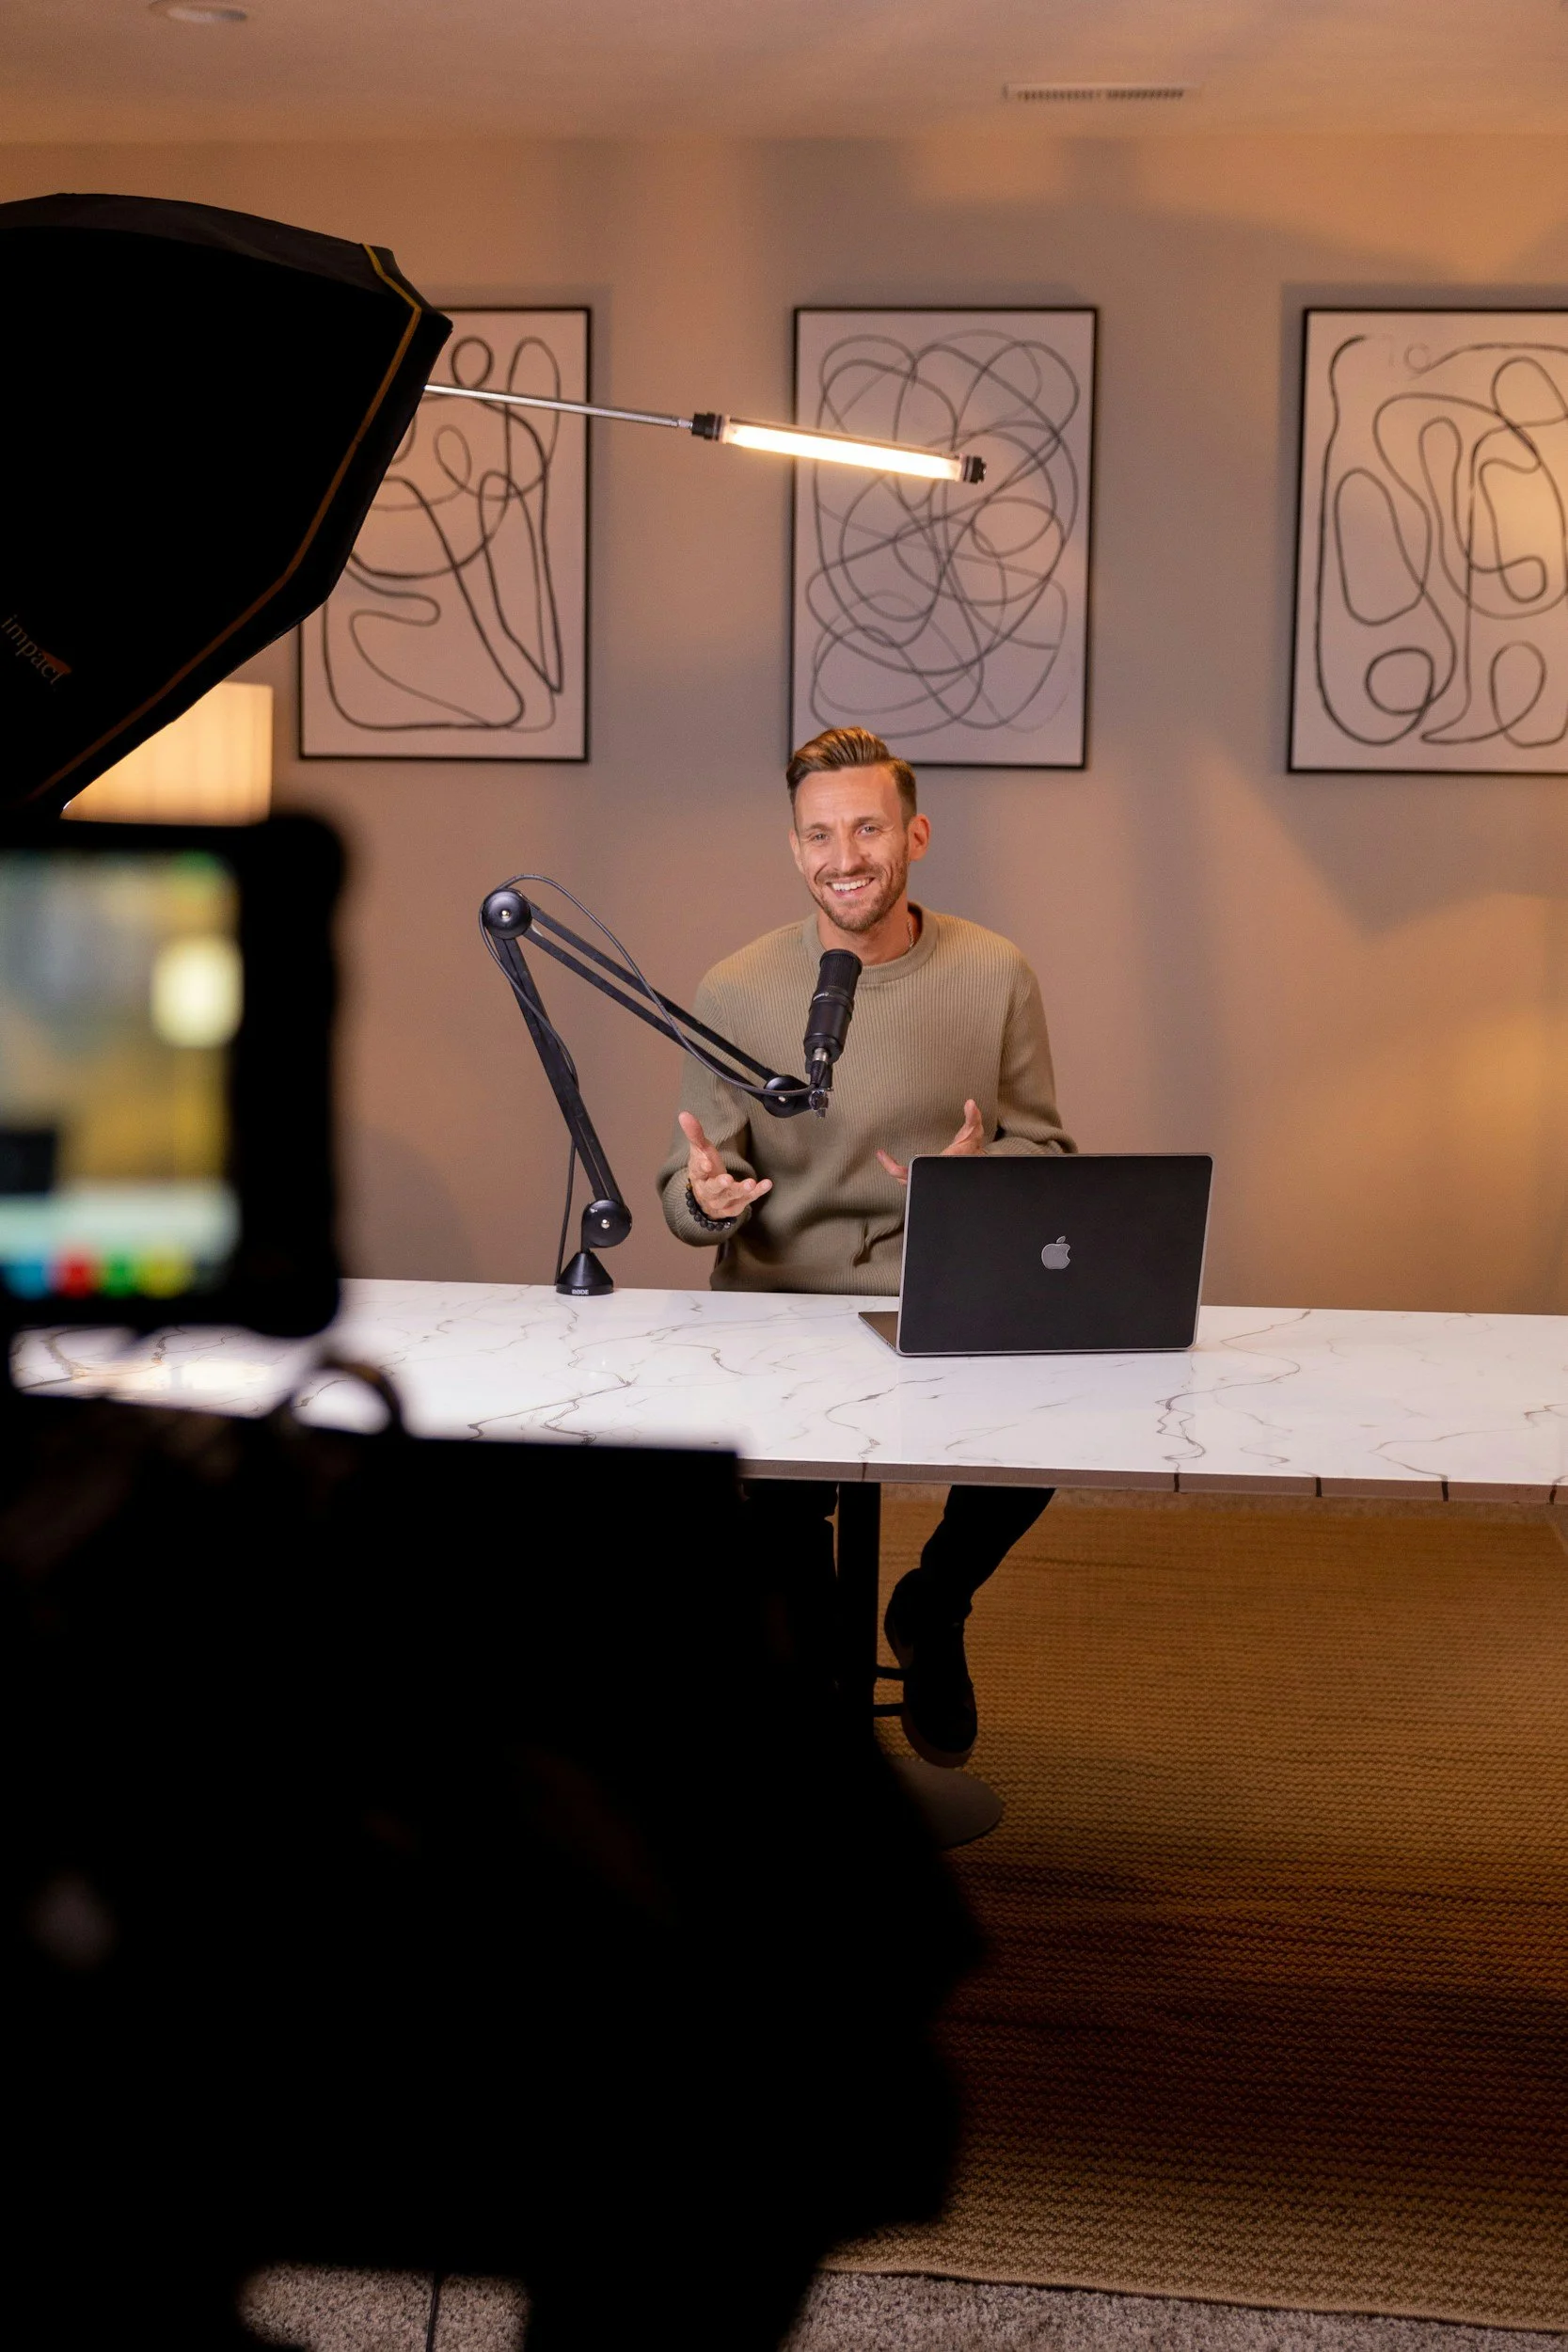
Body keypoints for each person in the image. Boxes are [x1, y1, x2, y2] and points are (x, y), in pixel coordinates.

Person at [657, 725, 1075, 1769]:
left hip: (939, 1292)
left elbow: (1047, 1141)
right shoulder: (736, 989)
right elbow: (682, 1186)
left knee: (1072, 1408)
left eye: (866, 828)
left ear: (914, 834)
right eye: (818, 835)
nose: (843, 856)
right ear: (793, 851)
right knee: (782, 1567)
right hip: (777, 1303)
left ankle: (931, 1604)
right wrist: (707, 1197)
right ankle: (819, 1680)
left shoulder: (994, 972)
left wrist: (989, 1171)